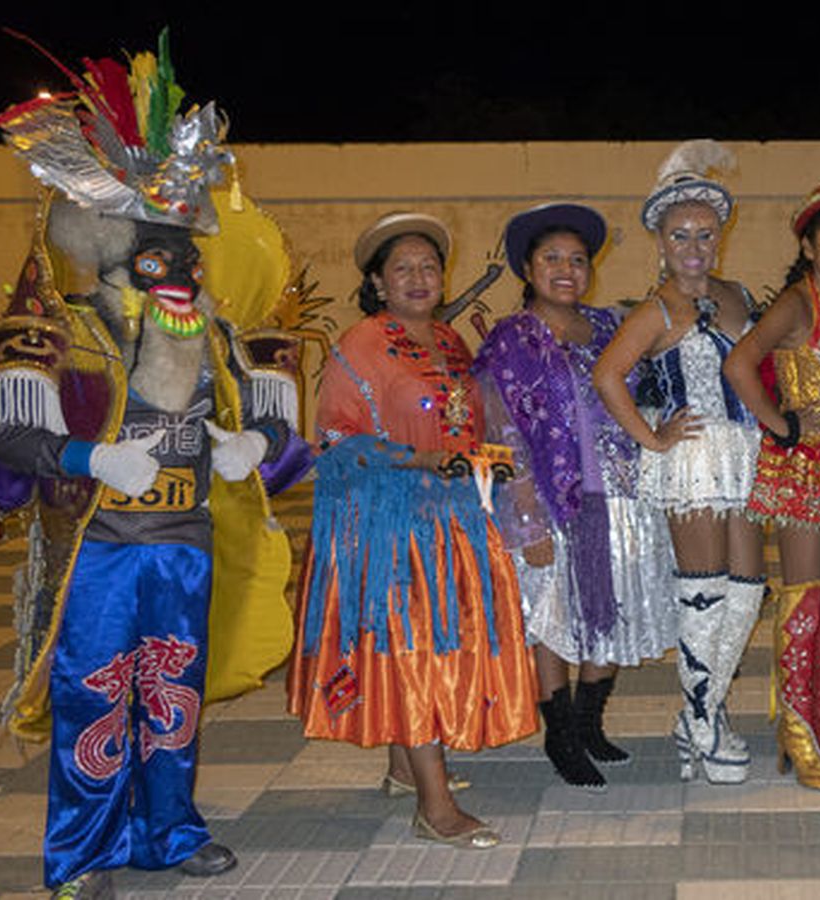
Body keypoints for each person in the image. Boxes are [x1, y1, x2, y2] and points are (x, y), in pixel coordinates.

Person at [0, 35, 297, 897]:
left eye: (186, 247)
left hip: (186, 544)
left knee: (173, 697)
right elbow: (5, 436)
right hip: (101, 549)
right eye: (157, 249)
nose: (179, 266)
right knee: (95, 696)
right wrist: (89, 455)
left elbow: (270, 407)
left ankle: (168, 830)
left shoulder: (215, 332)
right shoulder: (63, 328)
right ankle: (82, 853)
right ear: (112, 242)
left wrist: (255, 444)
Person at [288, 212, 540, 850]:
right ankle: (436, 806)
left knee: (425, 644)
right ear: (377, 280)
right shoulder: (361, 343)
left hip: (452, 519)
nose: (419, 278)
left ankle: (406, 767)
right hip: (389, 527)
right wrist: (419, 459)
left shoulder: (452, 341)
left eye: (429, 266)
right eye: (402, 267)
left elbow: (466, 427)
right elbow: (337, 441)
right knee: (414, 647)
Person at [473, 203, 677, 791]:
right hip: (551, 505)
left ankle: (590, 724)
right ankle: (560, 735)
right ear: (528, 268)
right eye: (552, 258)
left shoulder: (611, 328)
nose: (567, 269)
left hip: (621, 501)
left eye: (578, 260)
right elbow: (498, 429)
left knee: (609, 618)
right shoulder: (511, 340)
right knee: (554, 623)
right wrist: (526, 517)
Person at [593, 140, 765, 784]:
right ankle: (703, 725)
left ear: (720, 237)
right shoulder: (655, 308)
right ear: (661, 242)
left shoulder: (739, 294)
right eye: (680, 235)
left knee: (747, 593)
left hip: (744, 454)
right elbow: (608, 376)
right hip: (691, 459)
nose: (694, 247)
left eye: (704, 234)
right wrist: (652, 437)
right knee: (705, 595)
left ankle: (701, 711)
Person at [721, 183, 820, 791]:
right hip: (803, 471)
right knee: (804, 602)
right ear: (809, 246)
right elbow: (739, 363)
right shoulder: (796, 301)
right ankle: (795, 730)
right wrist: (782, 424)